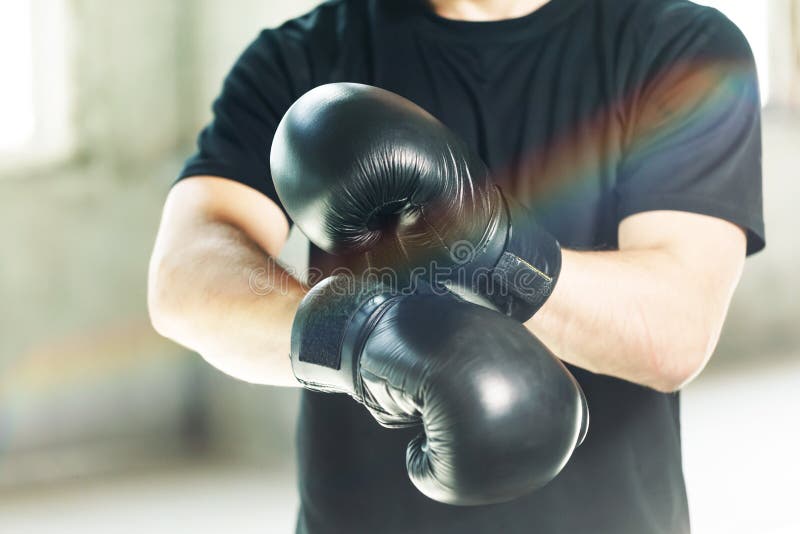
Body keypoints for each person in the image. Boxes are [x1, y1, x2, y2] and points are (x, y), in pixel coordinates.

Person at [147, 0, 765, 532]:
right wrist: (360, 340)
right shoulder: (303, 57)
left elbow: (674, 329)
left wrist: (484, 243)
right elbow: (186, 277)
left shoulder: (682, 48)